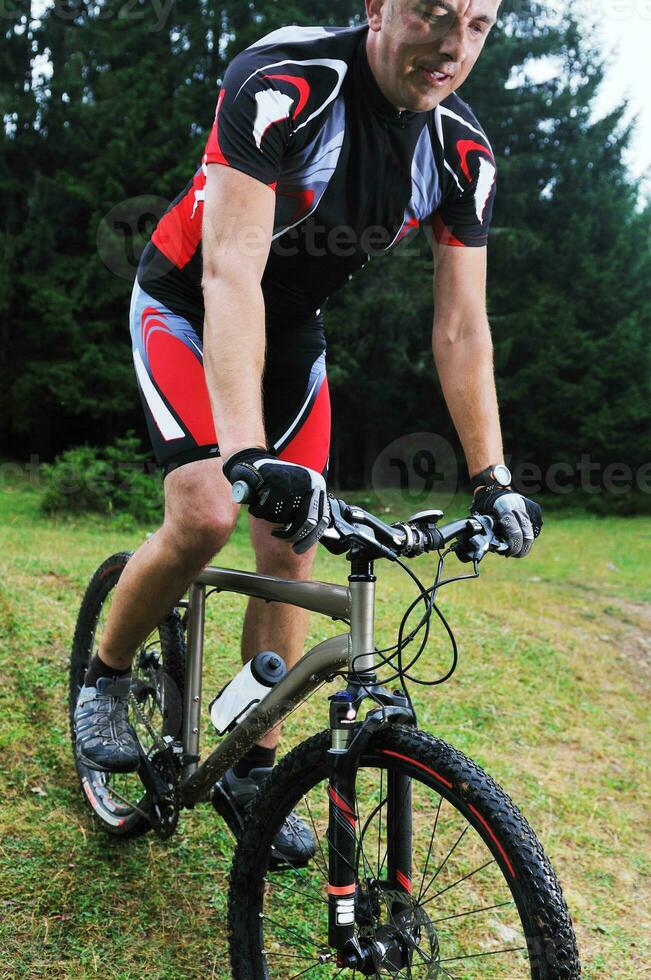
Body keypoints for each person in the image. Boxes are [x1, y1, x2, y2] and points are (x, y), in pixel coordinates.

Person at [74, 0, 541, 864]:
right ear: (376, 6)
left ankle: (251, 762)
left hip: (291, 334)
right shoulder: (285, 81)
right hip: (189, 303)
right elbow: (231, 270)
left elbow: (460, 328)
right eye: (433, 15)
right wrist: (247, 455)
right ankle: (104, 675)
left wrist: (493, 478)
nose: (452, 47)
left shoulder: (461, 151)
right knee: (209, 512)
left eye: (477, 25)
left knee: (291, 552)